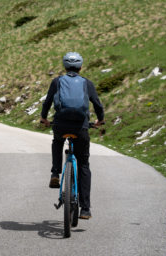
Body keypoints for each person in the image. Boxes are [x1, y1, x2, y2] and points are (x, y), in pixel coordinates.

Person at [40, 51, 104, 220]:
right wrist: (100, 121)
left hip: (61, 124)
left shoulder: (57, 81)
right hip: (81, 127)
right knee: (83, 164)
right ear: (81, 67)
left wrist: (44, 118)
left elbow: (47, 102)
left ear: (65, 66)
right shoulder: (86, 83)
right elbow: (97, 104)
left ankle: (55, 173)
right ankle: (85, 209)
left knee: (57, 141)